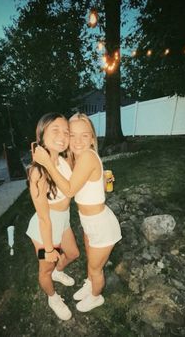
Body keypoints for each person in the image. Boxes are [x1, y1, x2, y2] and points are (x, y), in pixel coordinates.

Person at [33, 112, 122, 312]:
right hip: (46, 226)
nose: (77, 140)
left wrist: (47, 161)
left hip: (86, 223)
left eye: (85, 135)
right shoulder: (69, 160)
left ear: (92, 138)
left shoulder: (82, 158)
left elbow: (71, 188)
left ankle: (95, 294)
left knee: (85, 261)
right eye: (72, 135)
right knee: (45, 265)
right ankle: (53, 296)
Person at [26, 113, 79, 320]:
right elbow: (43, 218)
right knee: (45, 268)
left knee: (73, 253)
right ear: (42, 134)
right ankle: (52, 297)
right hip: (44, 230)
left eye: (66, 131)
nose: (63, 135)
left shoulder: (64, 161)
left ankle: (58, 271)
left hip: (63, 220)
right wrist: (48, 249)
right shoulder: (38, 172)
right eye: (55, 130)